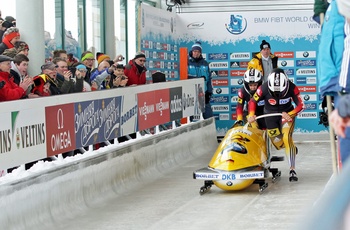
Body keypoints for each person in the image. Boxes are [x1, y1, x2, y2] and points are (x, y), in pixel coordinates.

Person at [247, 68, 304, 182]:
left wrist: (290, 114)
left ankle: (292, 169)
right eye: (274, 92)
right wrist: (251, 114)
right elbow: (253, 101)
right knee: (278, 144)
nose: (277, 94)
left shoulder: (292, 87)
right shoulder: (263, 88)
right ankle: (291, 148)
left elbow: (301, 105)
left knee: (287, 138)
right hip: (270, 116)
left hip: (286, 115)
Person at [187, 41, 213, 119]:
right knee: (192, 117)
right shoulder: (187, 63)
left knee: (208, 116)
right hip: (190, 94)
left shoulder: (205, 63)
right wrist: (197, 79)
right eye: (195, 51)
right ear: (192, 51)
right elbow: (185, 78)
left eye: (198, 52)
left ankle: (209, 131)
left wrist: (209, 92)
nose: (196, 53)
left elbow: (209, 79)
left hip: (203, 93)